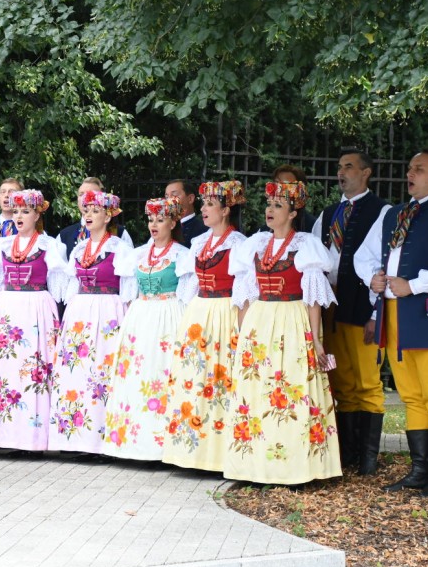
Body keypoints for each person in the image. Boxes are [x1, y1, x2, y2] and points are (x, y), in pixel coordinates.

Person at [354, 149, 428, 498]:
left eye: (419, 169)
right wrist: (372, 277)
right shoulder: (392, 214)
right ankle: (420, 470)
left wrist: (414, 285)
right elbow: (364, 255)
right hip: (395, 316)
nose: (411, 174)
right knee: (411, 396)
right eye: (409, 168)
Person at [226, 180, 341, 485]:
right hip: (261, 319)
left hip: (292, 318)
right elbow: (246, 295)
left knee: (291, 387)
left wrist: (316, 340)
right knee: (258, 389)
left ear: (292, 213)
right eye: (269, 204)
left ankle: (294, 466)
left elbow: (313, 299)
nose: (270, 210)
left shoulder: (305, 246)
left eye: (278, 206)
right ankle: (255, 465)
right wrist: (242, 333)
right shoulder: (256, 245)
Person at [311, 148, 390, 474]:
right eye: (339, 167)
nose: (341, 172)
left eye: (348, 167)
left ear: (366, 172)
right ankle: (348, 454)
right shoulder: (328, 213)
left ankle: (368, 461)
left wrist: (376, 314)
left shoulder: (382, 211)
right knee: (341, 380)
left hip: (362, 307)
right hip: (332, 309)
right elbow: (315, 260)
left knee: (367, 381)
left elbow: (385, 263)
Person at [162, 181, 247, 472]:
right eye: (204, 204)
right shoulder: (199, 243)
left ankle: (220, 455)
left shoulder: (239, 244)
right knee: (196, 379)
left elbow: (245, 291)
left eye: (210, 204)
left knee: (220, 381)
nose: (203, 209)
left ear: (225, 210)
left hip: (225, 312)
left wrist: (241, 328)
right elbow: (189, 285)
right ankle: (192, 453)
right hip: (200, 312)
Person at [0, 189, 67, 455]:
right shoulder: (1, 245)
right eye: (16, 211)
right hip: (8, 308)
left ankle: (33, 438)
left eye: (25, 212)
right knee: (6, 371)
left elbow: (58, 288)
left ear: (37, 215)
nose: (19, 216)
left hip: (36, 308)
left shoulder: (49, 246)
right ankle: (6, 435)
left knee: (32, 371)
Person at [103, 196, 192, 461]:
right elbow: (129, 292)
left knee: (161, 373)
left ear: (172, 223)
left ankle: (162, 445)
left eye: (160, 220)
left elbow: (188, 295)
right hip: (141, 316)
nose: (153, 224)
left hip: (169, 314)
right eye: (151, 219)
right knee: (138, 374)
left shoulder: (182, 255)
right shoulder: (139, 254)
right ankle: (133, 443)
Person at [50, 189, 135, 457]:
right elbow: (70, 286)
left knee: (101, 374)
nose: (88, 215)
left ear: (108, 216)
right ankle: (75, 439)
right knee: (77, 373)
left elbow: (128, 292)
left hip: (108, 311)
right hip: (80, 313)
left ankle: (100, 440)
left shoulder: (119, 249)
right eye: (86, 210)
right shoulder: (78, 249)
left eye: (95, 211)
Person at [56, 177, 133, 258]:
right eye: (81, 194)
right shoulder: (64, 236)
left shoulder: (120, 233)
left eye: (91, 194)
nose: (85, 198)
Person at [165, 179, 208, 247]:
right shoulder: (164, 227)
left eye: (174, 195)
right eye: (167, 196)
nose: (169, 200)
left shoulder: (204, 230)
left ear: (190, 199)